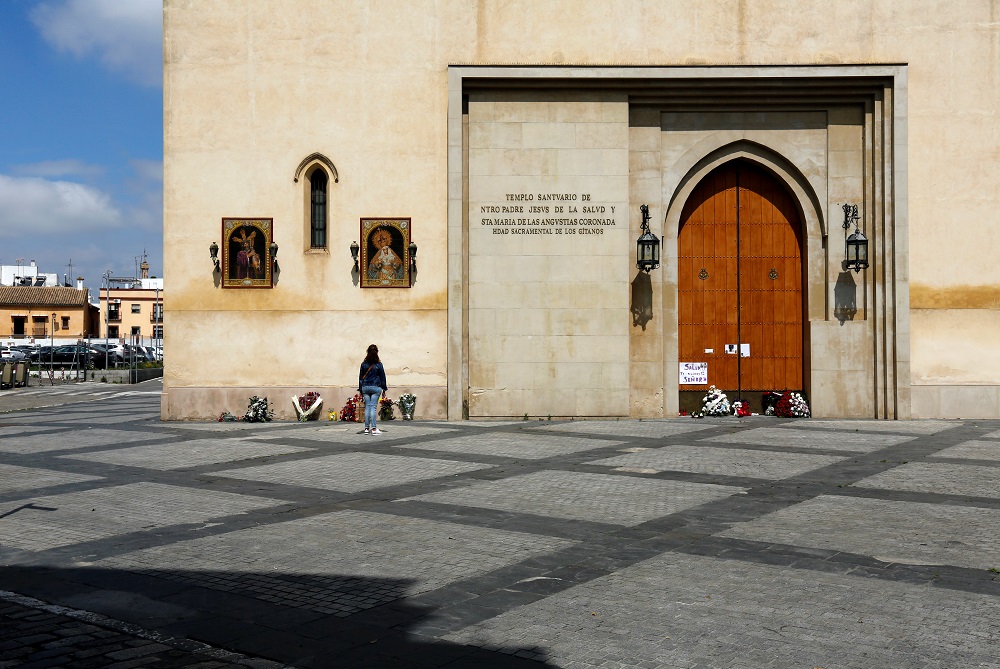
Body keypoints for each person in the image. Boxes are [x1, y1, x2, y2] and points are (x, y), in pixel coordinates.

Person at [358, 343, 388, 434]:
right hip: (376, 387)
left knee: (367, 407)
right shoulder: (379, 365)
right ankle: (374, 428)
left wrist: (360, 389)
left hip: (365, 387)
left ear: (367, 352)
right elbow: (383, 377)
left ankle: (366, 428)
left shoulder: (363, 364)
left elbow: (360, 377)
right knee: (373, 407)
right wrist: (384, 388)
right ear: (377, 352)